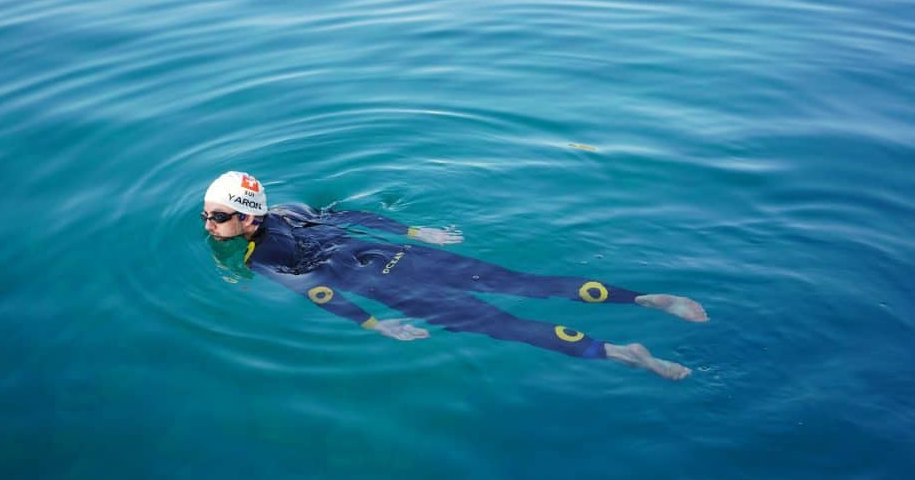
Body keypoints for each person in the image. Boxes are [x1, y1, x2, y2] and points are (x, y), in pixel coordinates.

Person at [202, 171, 708, 380]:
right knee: (529, 284)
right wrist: (416, 232)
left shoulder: (258, 259)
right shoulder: (290, 208)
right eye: (207, 215)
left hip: (388, 286)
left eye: (219, 216)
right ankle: (645, 300)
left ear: (249, 218)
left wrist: (375, 325)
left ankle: (625, 354)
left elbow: (316, 290)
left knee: (507, 325)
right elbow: (357, 220)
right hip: (405, 257)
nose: (209, 225)